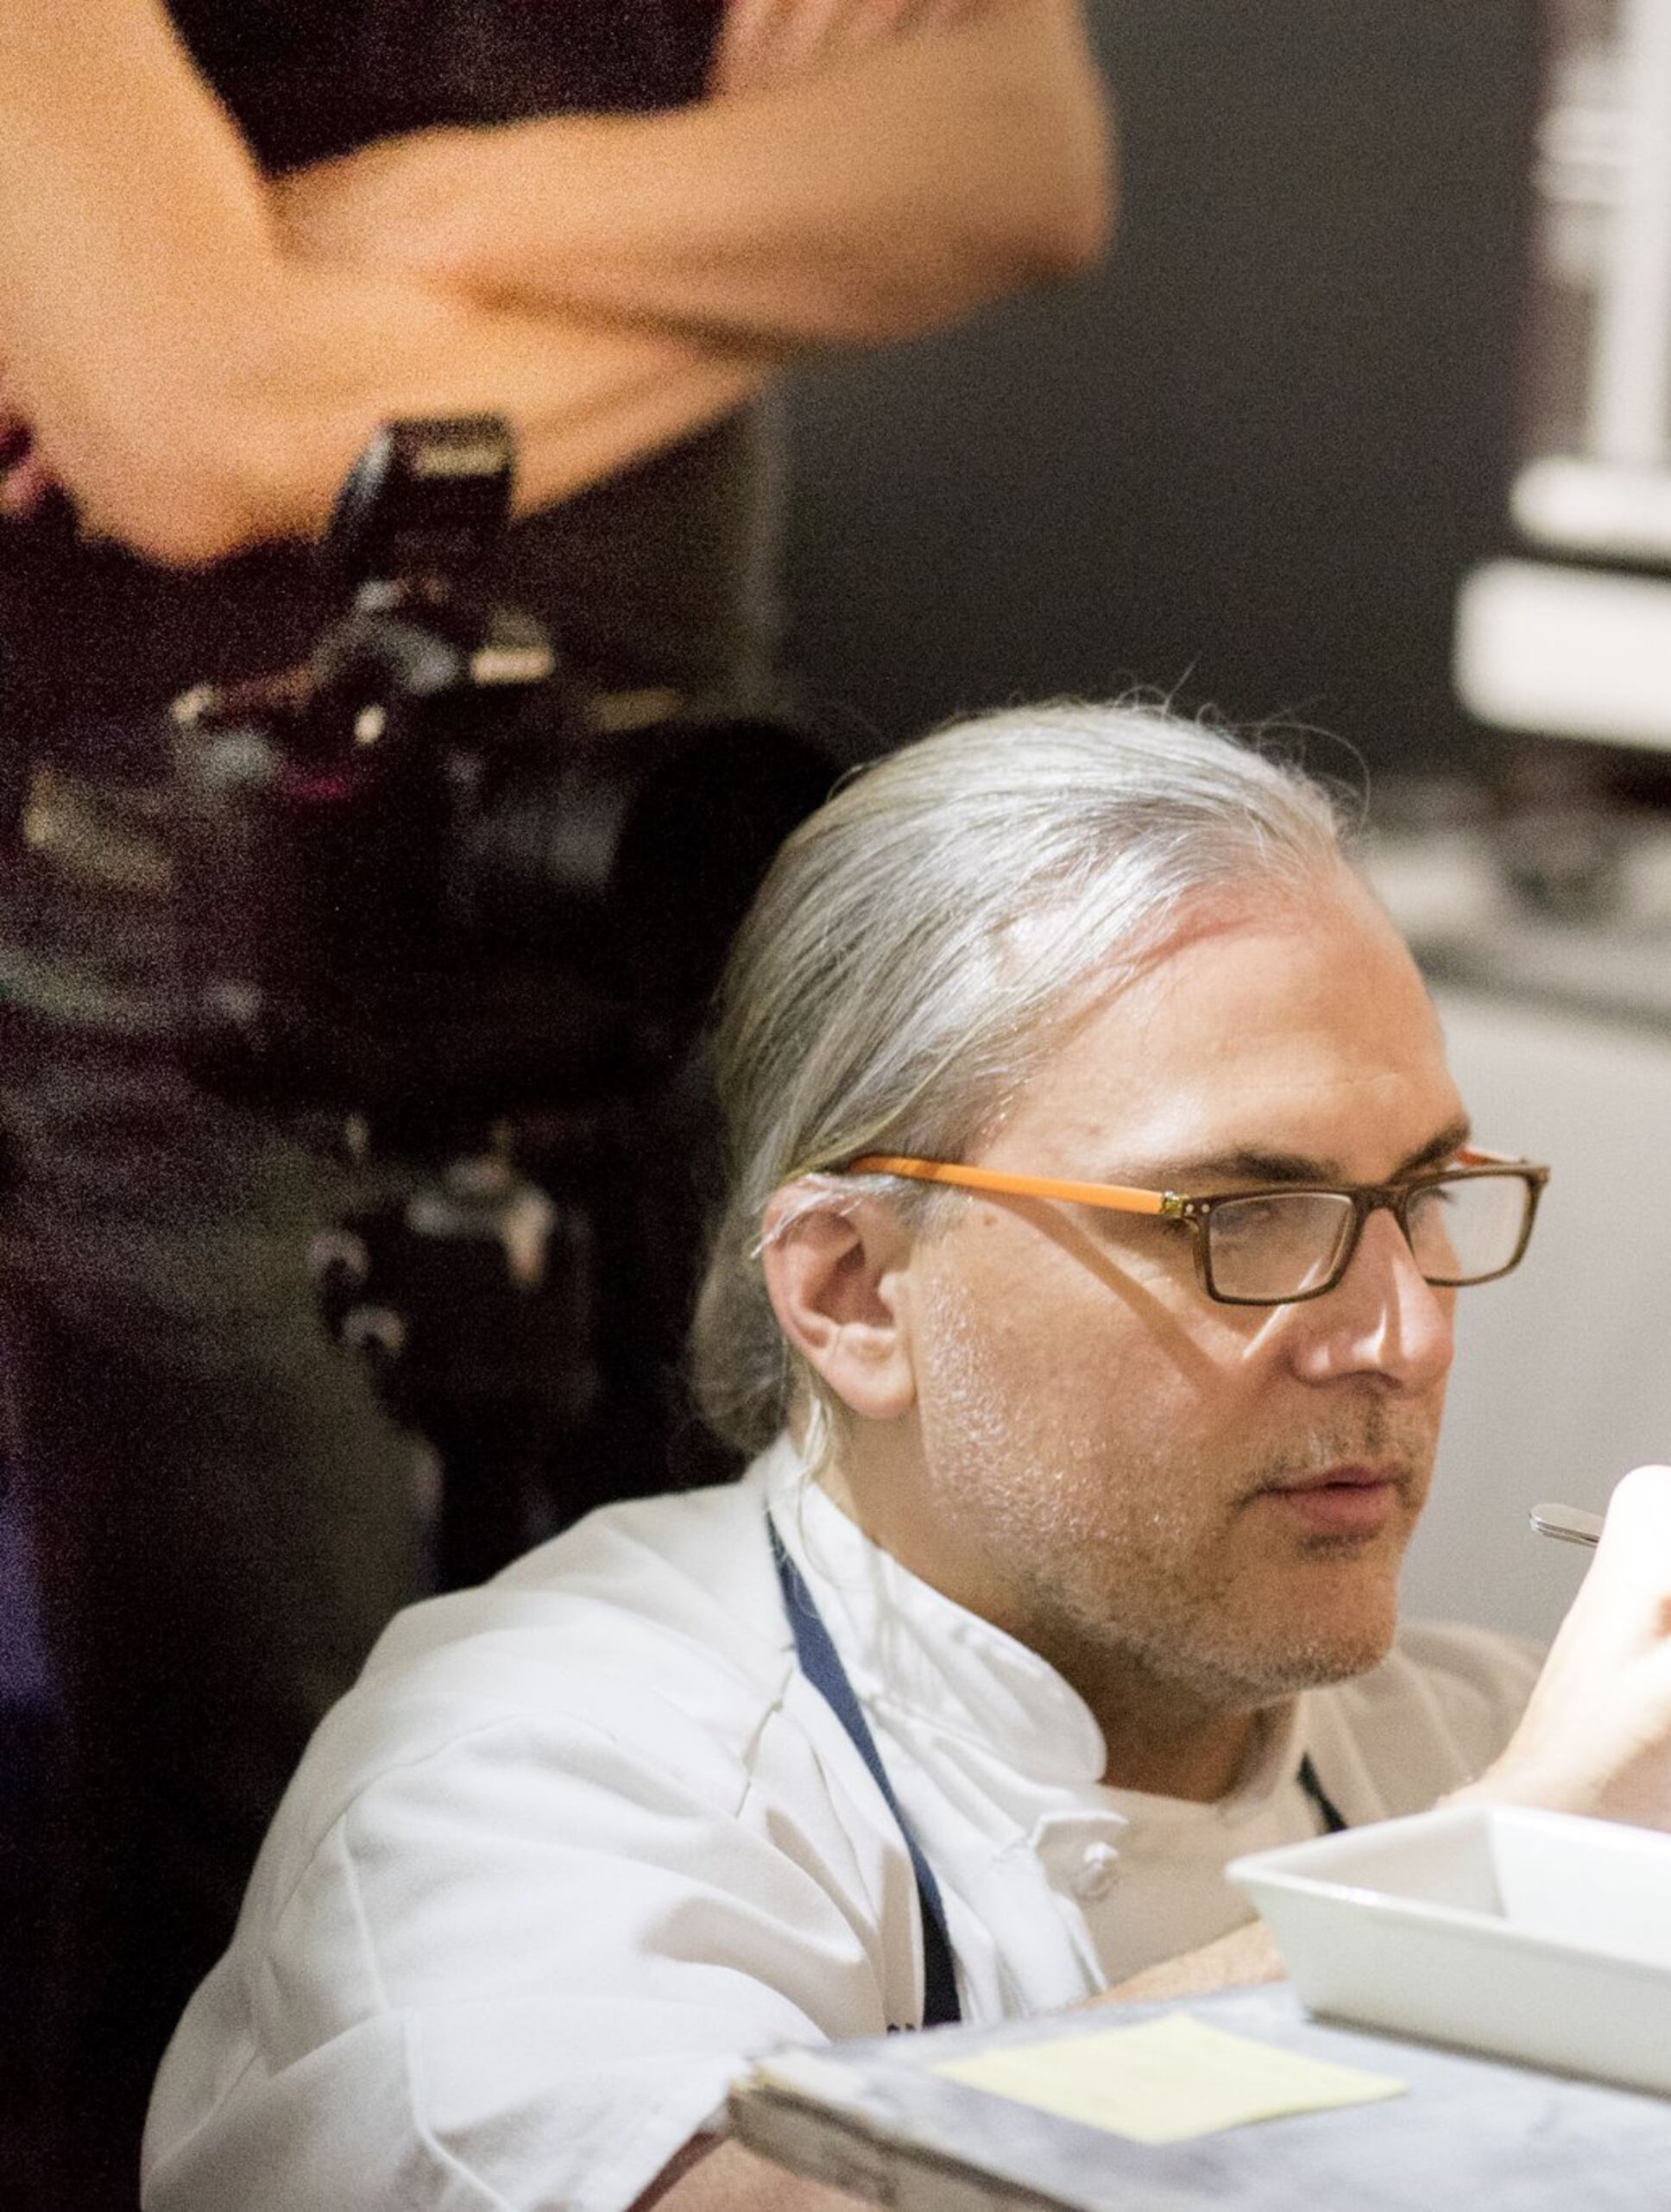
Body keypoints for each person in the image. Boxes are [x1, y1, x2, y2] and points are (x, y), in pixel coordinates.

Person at [141, 702, 1671, 2212]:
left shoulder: (1438, 1727)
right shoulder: (531, 1753)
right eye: (1244, 1215)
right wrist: (1524, 1880)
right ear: (853, 1295)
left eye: (1423, 1197)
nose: (1403, 1329)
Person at [0, 5, 1112, 2200]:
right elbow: (197, 435)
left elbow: (1015, 171)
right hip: (201, 902)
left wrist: (409, 222)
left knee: (785, 1763)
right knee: (279, 1840)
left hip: (673, 856)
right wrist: (770, 250)